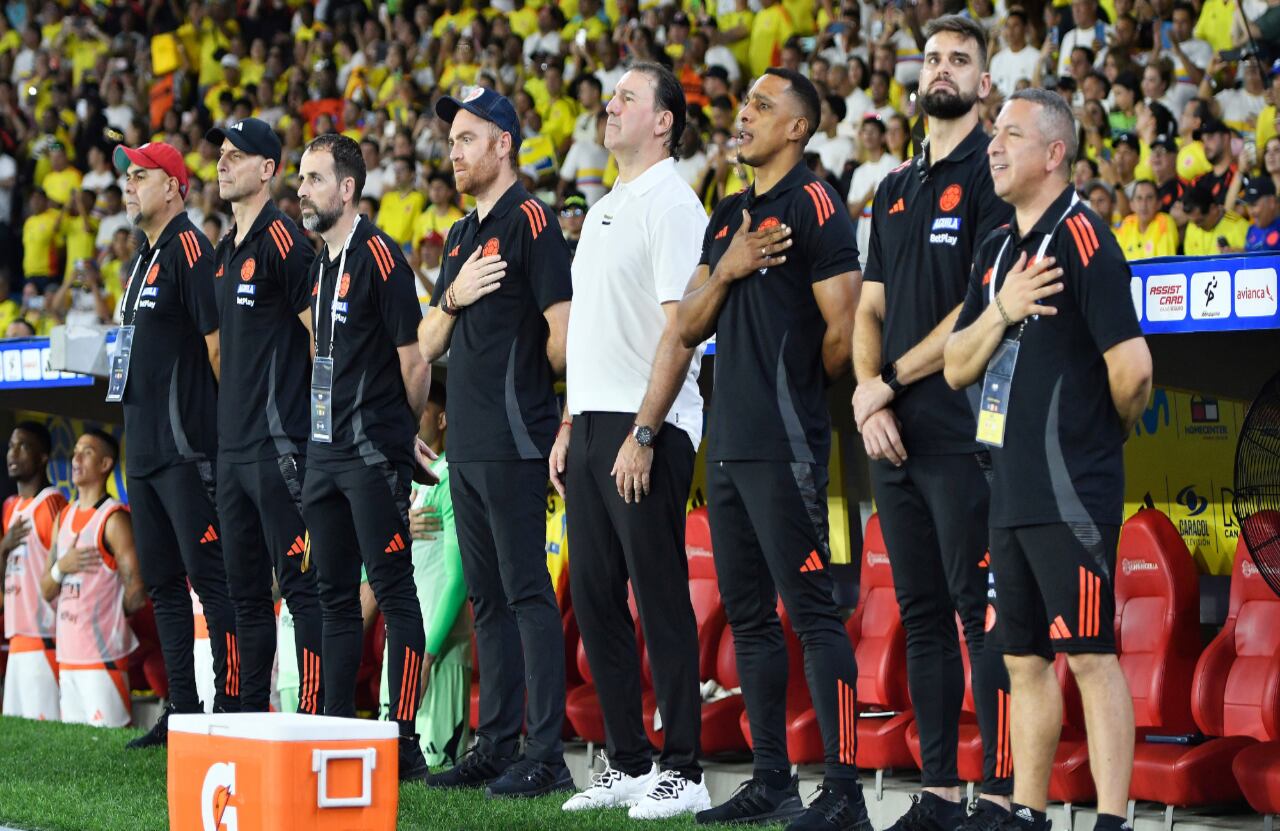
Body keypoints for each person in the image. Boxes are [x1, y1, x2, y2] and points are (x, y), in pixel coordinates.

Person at [944, 87, 1153, 831]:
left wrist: (1097, 441)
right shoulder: (998, 245)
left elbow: (1133, 371)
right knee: (1023, 658)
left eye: (1011, 134)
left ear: (1055, 153)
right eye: (994, 133)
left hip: (1071, 490)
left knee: (1092, 656)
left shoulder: (1085, 238)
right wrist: (1001, 308)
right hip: (1008, 487)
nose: (993, 145)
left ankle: (1110, 820)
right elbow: (957, 364)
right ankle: (1027, 813)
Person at [676, 67, 864, 831]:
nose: (742, 113)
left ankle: (845, 791)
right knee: (750, 616)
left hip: (785, 441)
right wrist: (729, 267)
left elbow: (846, 330)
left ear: (797, 128)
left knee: (814, 614)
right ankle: (772, 780)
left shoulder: (816, 202)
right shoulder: (725, 215)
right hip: (725, 447)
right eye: (744, 101)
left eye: (761, 104)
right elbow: (687, 324)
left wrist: (791, 395)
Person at [852, 15, 1014, 831]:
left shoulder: (995, 173)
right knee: (920, 610)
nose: (942, 70)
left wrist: (883, 381)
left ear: (985, 82)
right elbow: (869, 304)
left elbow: (976, 308)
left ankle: (999, 792)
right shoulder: (892, 186)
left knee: (978, 610)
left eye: (960, 59)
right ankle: (943, 788)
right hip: (892, 431)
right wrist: (863, 390)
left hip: (961, 427)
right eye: (932, 58)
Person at [553, 62, 710, 820]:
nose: (610, 106)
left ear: (664, 121)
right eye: (610, 97)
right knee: (594, 598)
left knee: (658, 595)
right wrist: (570, 422)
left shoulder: (673, 203)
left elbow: (681, 330)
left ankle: (686, 766)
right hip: (592, 423)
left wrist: (645, 431)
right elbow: (594, 331)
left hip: (646, 425)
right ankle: (626, 758)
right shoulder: (610, 203)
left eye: (627, 98)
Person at [419, 87, 573, 798]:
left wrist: (561, 421)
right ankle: (497, 739)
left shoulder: (532, 221)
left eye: (468, 137)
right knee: (486, 599)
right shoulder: (457, 237)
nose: (454, 150)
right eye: (451, 138)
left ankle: (545, 751)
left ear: (504, 143)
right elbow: (426, 339)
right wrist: (454, 295)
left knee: (526, 594)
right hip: (468, 448)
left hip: (516, 438)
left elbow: (563, 338)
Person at [295, 132, 433, 780]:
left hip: (373, 454)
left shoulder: (381, 255)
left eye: (314, 178)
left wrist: (396, 436)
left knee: (395, 594)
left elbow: (415, 361)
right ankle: (330, 728)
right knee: (331, 597)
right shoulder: (320, 258)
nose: (302, 189)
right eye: (301, 178)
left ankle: (402, 737)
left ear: (347, 189)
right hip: (323, 453)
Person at [111, 142, 240, 747]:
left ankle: (230, 708)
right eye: (126, 177)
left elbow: (218, 347)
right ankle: (182, 710)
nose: (128, 185)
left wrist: (230, 431)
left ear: (175, 187)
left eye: (141, 175)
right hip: (143, 448)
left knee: (210, 579)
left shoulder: (190, 248)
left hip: (188, 447)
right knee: (163, 582)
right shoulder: (142, 258)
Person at [207, 117, 324, 715]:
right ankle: (245, 716)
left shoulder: (283, 239)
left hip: (282, 446)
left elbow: (317, 336)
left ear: (268, 169)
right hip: (234, 450)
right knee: (244, 594)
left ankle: (310, 719)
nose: (223, 162)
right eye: (221, 154)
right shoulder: (224, 252)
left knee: (302, 590)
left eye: (237, 154)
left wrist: (319, 425)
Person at [375, 379, 472, 767]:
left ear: (444, 418)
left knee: (437, 777)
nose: (413, 414)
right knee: (386, 770)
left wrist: (428, 655)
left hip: (441, 651)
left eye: (423, 407)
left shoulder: (451, 477)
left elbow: (458, 578)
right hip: (399, 647)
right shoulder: (399, 480)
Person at [40, 429, 145, 727]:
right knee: (76, 757)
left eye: (86, 452)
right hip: (68, 655)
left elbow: (136, 591)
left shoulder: (113, 519)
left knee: (110, 755)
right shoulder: (64, 516)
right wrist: (63, 567)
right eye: (75, 451)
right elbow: (46, 589)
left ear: (105, 464)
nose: (76, 458)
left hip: (102, 657)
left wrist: (108, 616)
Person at [1, 422, 68, 721]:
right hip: (16, 637)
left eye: (23, 446)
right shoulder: (10, 506)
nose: (12, 453)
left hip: (45, 638)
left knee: (46, 740)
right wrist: (3, 547)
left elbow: (63, 570)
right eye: (11, 446)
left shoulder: (52, 503)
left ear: (43, 457)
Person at [1115, 180, 1178, 260]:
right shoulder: (1127, 223)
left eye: (1149, 198)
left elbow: (1164, 263)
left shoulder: (1164, 221)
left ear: (1158, 204)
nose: (1144, 204)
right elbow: (1117, 260)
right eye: (1139, 198)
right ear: (1131, 205)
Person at [1182, 181, 1248, 254]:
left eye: (1200, 221)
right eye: (1193, 222)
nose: (1196, 227)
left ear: (1213, 209)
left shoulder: (1240, 227)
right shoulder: (1192, 226)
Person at [1242, 175, 1280, 251]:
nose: (1250, 212)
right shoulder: (1252, 229)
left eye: (1254, 205)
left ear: (1271, 202)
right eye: (1248, 205)